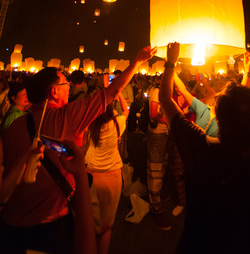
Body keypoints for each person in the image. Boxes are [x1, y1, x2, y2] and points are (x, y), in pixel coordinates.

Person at [0, 45, 156, 254]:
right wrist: (137, 61)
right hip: (49, 225)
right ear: (54, 91)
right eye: (65, 83)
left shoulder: (12, 127)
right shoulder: (66, 117)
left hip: (8, 227)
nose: (70, 88)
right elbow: (112, 91)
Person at [159, 42, 250, 254]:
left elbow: (165, 99)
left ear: (221, 120)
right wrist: (247, 71)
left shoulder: (201, 150)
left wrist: (170, 62)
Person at [85, 92, 129, 254]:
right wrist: (120, 95)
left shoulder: (88, 124)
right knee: (106, 226)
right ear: (110, 108)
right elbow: (127, 110)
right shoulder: (117, 123)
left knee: (90, 222)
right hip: (112, 176)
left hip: (91, 174)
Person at [147, 75, 171, 230]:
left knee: (162, 165)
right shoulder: (156, 91)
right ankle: (155, 208)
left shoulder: (165, 93)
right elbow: (153, 113)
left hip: (165, 134)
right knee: (155, 170)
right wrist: (170, 120)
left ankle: (157, 194)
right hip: (157, 134)